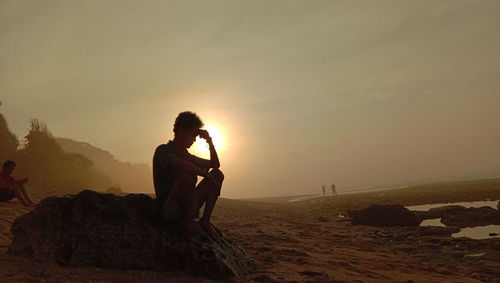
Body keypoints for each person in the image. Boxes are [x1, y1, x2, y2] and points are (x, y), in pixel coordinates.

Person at [153, 111, 224, 239]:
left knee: (217, 174)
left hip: (188, 204)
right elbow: (180, 164)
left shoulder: (187, 155)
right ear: (181, 132)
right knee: (188, 176)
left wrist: (209, 141)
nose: (195, 140)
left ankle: (205, 220)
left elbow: (215, 164)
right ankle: (186, 221)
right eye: (192, 135)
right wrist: (205, 175)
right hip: (170, 208)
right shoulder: (163, 150)